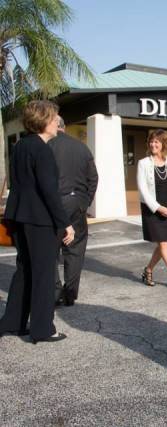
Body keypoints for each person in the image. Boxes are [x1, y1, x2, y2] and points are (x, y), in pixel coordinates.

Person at [0, 100, 74, 344]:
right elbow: (48, 191)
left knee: (24, 271)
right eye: (54, 118)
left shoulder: (20, 145)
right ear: (43, 120)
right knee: (43, 274)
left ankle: (12, 323)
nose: (57, 123)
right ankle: (43, 329)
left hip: (20, 217)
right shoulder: (42, 150)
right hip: (40, 221)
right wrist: (65, 223)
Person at [49, 115, 99, 307]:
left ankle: (54, 292)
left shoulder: (46, 145)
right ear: (65, 126)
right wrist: (85, 203)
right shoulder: (82, 147)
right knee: (75, 249)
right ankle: (70, 294)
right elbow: (93, 178)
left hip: (53, 203)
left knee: (50, 250)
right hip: (77, 203)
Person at [137, 129, 167, 291]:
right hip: (152, 208)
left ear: (163, 143)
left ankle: (148, 270)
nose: (153, 144)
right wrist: (158, 208)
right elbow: (143, 189)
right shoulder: (143, 163)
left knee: (163, 244)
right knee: (163, 244)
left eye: (156, 141)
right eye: (151, 141)